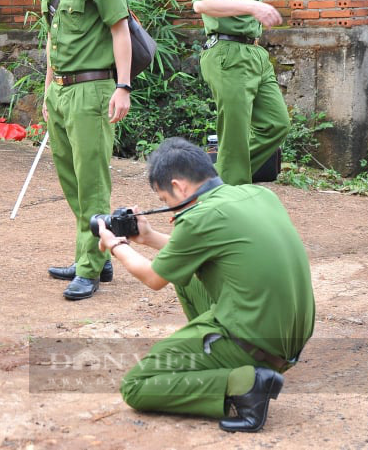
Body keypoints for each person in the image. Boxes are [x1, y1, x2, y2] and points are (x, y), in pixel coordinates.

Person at [94, 137, 315, 432]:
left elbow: (153, 277)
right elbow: (200, 249)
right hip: (289, 340)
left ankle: (244, 383)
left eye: (165, 200)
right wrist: (147, 238)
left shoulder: (199, 217)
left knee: (137, 385)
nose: (168, 207)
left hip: (257, 342)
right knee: (183, 276)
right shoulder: (256, 195)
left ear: (180, 187)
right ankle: (222, 357)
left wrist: (114, 244)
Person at [35, 0, 133, 301]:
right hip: (60, 93)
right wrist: (46, 91)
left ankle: (89, 270)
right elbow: (52, 39)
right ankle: (98, 254)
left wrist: (123, 86)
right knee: (72, 183)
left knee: (92, 184)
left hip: (93, 91)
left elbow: (120, 30)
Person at [192, 0, 290, 185]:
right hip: (227, 53)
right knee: (234, 139)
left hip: (254, 55)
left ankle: (214, 182)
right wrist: (252, 6)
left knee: (277, 125)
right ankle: (230, 201)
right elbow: (202, 3)